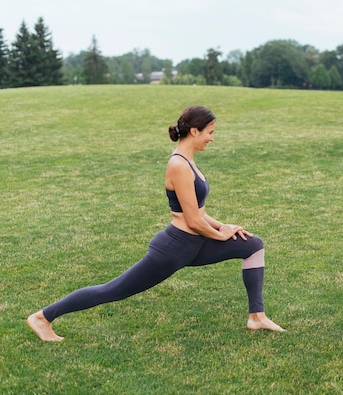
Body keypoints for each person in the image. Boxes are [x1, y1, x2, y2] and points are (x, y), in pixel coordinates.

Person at [28, 105, 284, 341]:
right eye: (210, 132)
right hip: (173, 249)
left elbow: (198, 212)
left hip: (194, 245)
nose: (212, 138)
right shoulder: (178, 165)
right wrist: (221, 235)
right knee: (112, 290)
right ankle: (42, 317)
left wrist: (225, 226)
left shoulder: (190, 161)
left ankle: (257, 317)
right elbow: (193, 221)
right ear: (194, 131)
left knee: (253, 245)